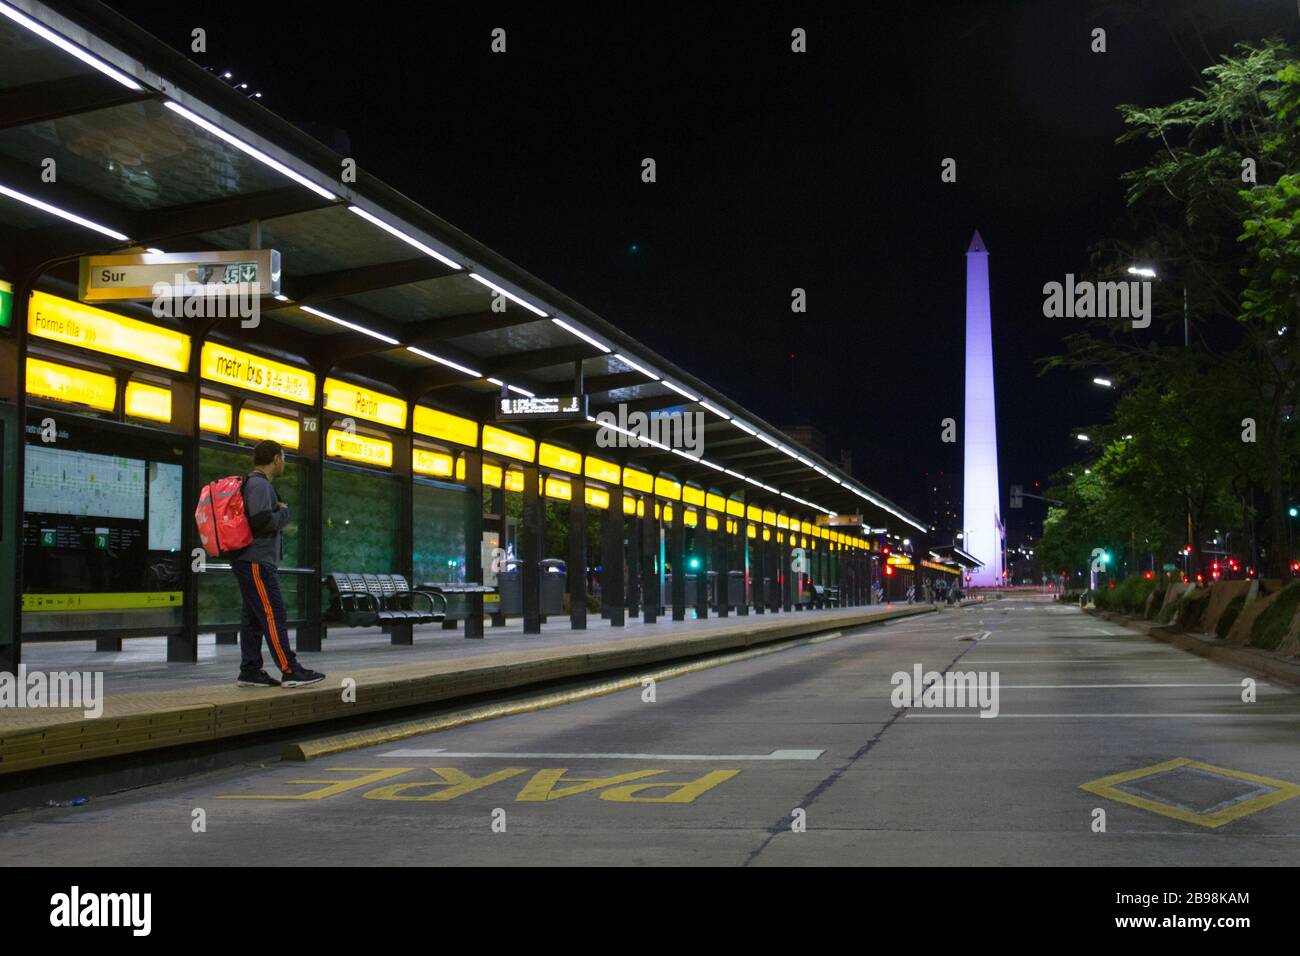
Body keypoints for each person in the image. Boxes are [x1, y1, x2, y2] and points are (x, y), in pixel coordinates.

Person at [231, 440, 325, 688]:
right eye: (283, 457)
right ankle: (290, 669)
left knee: (253, 617)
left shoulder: (254, 483)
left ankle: (250, 671)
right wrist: (284, 513)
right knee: (274, 613)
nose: (284, 462)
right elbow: (260, 521)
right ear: (275, 459)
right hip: (256, 561)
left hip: (250, 561)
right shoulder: (260, 484)